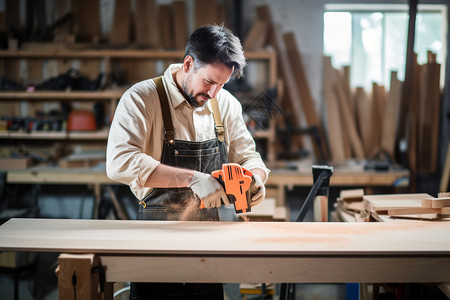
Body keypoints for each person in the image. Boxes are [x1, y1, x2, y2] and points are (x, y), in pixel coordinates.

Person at [106, 24, 270, 300]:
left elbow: (249, 156)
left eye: (222, 84)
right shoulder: (142, 98)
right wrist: (193, 179)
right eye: (209, 81)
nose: (214, 93)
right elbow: (119, 162)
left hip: (208, 246)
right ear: (188, 63)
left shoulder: (225, 104)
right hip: (156, 242)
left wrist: (254, 178)